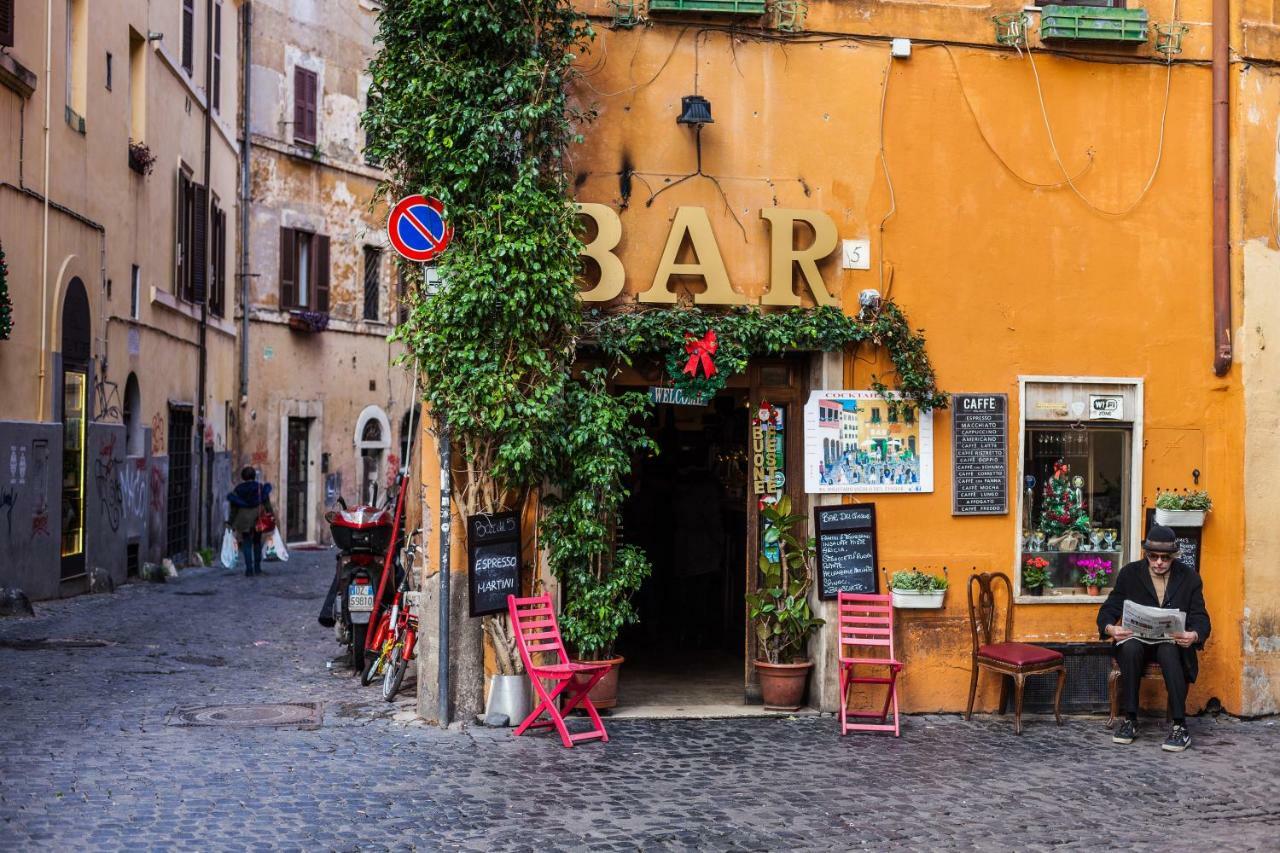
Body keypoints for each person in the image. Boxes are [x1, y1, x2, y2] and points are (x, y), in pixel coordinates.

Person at [1096, 524, 1211, 752]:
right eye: (1153, 556)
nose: (1159, 562)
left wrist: (1194, 635)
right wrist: (1110, 628)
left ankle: (1179, 725)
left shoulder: (1189, 578)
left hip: (1171, 643)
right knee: (1129, 649)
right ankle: (1130, 718)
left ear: (1174, 557)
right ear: (1146, 554)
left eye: (1165, 558)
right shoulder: (1130, 573)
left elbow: (1201, 618)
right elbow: (1110, 607)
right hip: (1137, 639)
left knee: (1169, 652)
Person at [227, 466, 275, 577]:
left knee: (246, 543)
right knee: (257, 542)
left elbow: (234, 508)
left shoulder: (238, 489)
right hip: (257, 518)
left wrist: (230, 522)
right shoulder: (260, 488)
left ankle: (249, 569)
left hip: (243, 520)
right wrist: (271, 516)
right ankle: (257, 568)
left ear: (243, 477)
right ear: (254, 476)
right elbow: (266, 503)